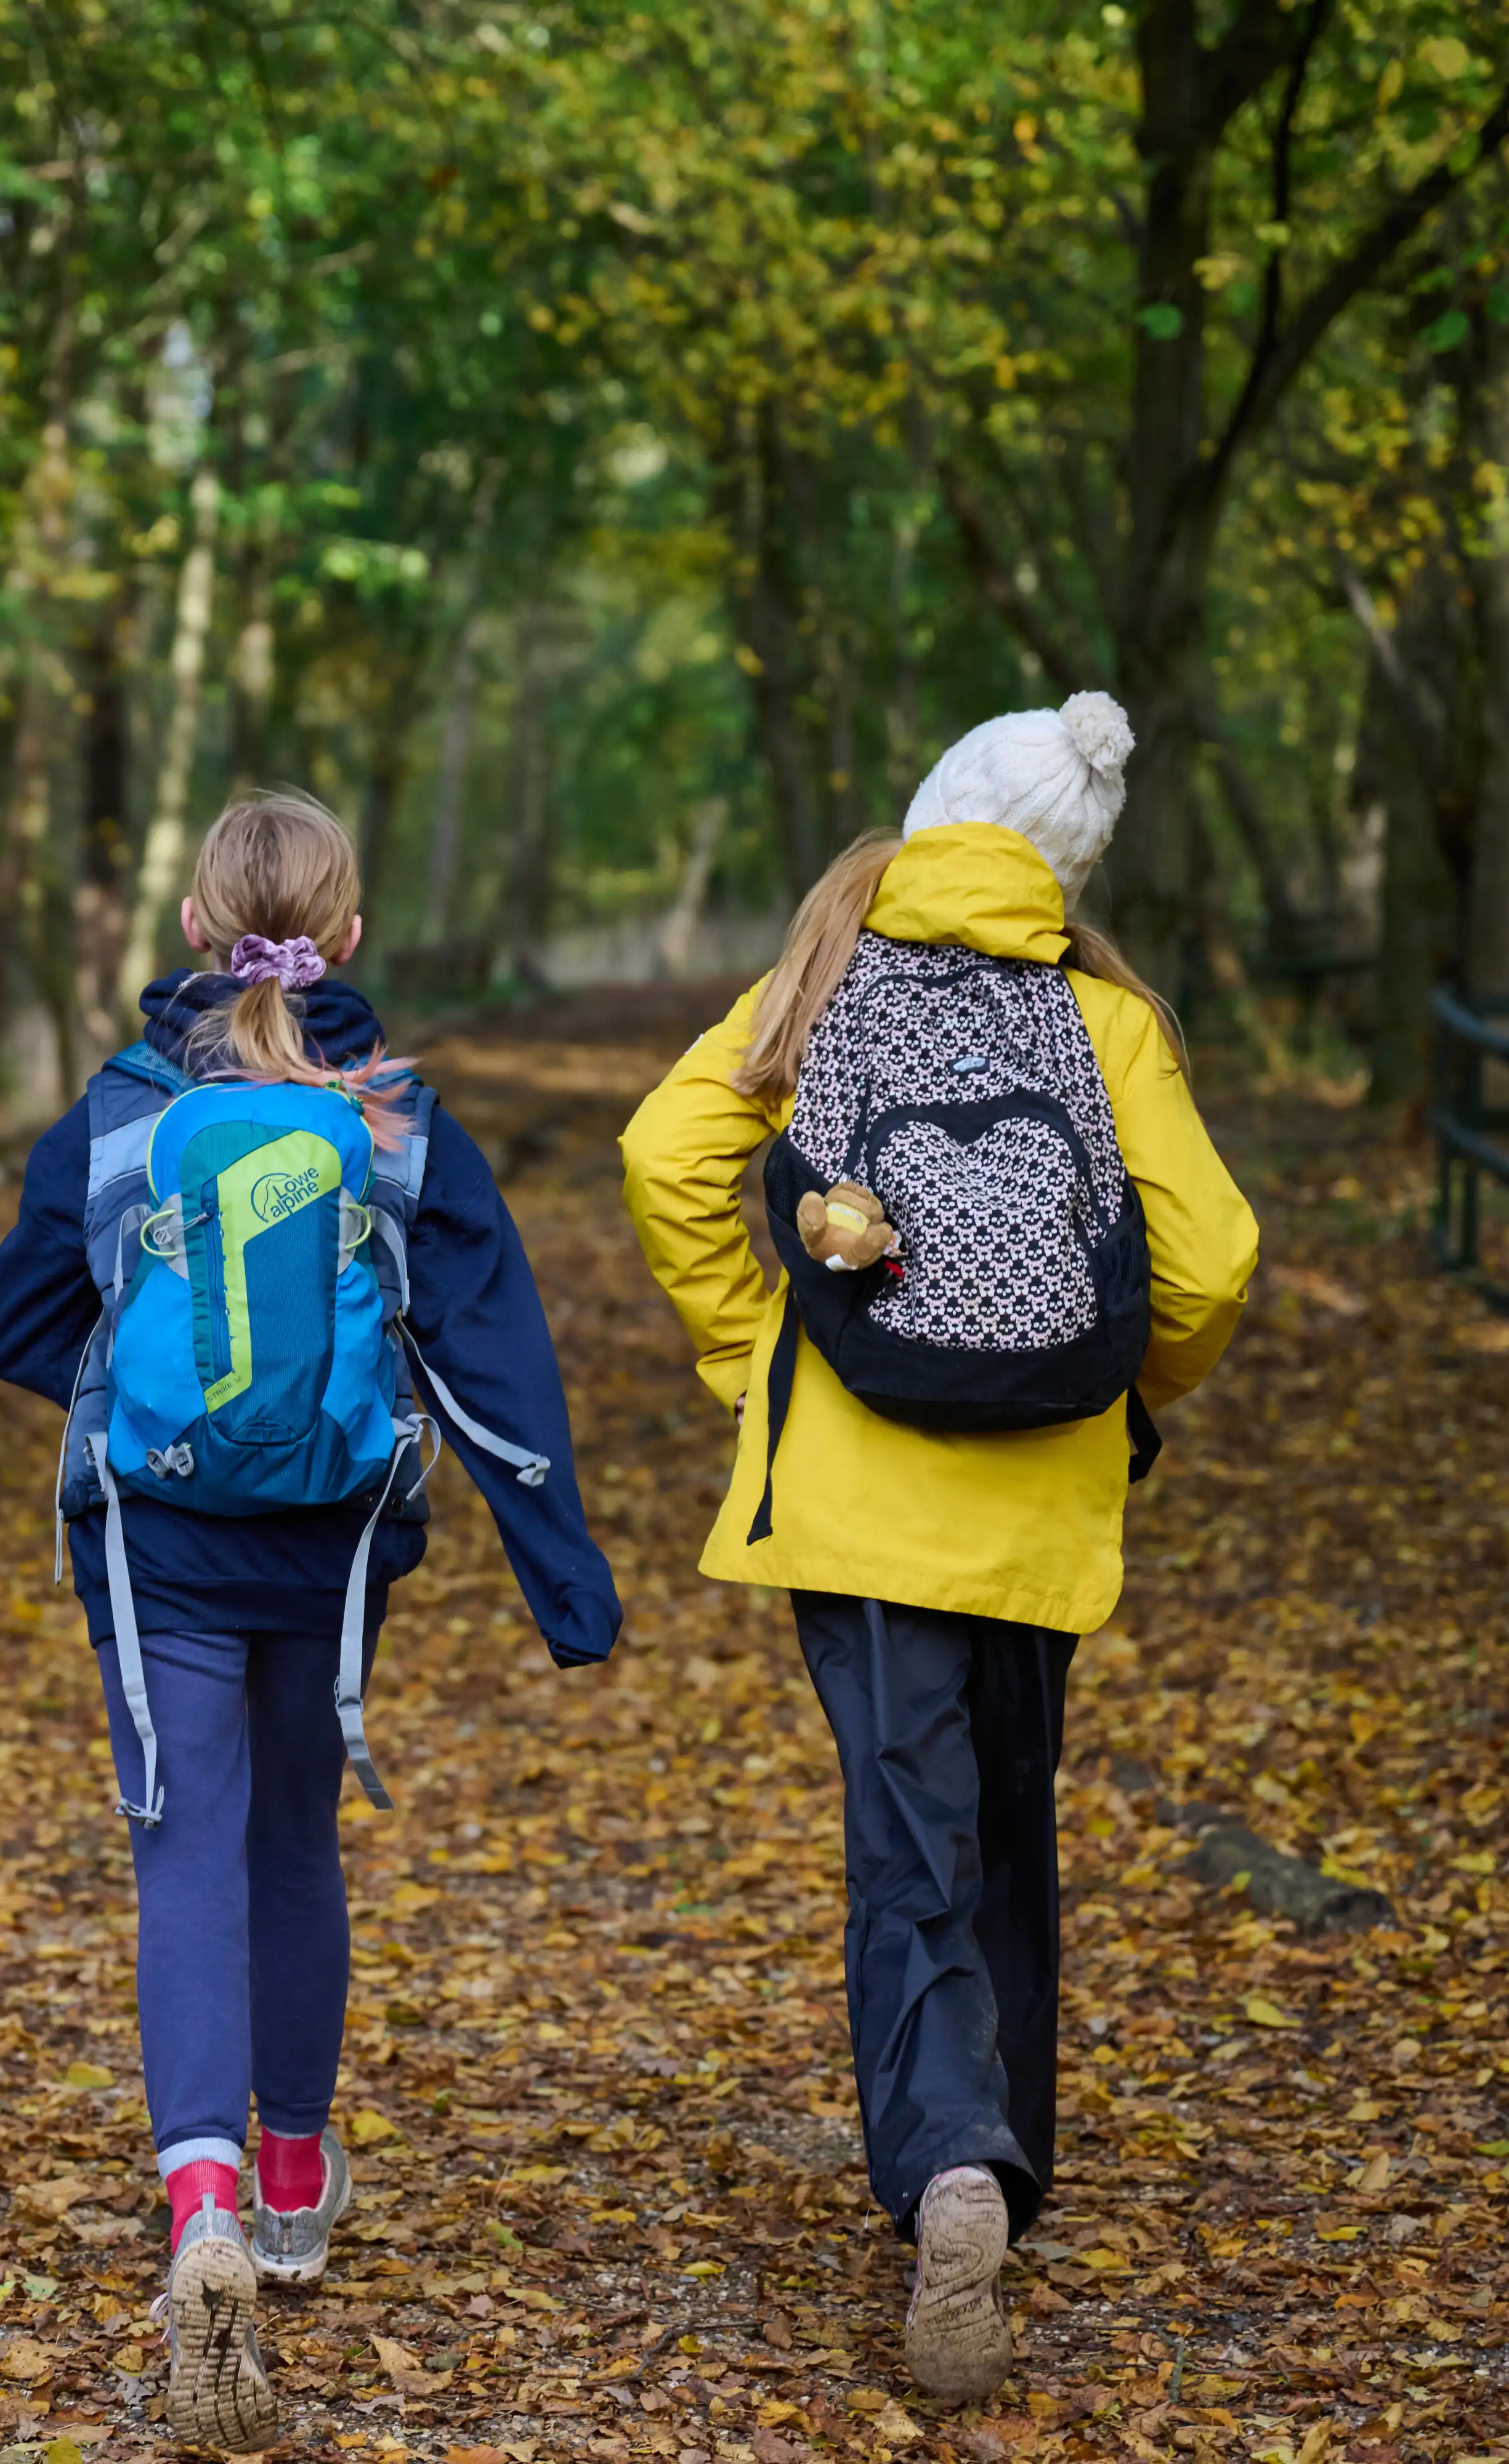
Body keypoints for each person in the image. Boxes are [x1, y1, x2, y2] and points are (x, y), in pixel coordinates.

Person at [615, 693, 1256, 2404]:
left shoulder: (828, 984)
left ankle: (954, 2165)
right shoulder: (1104, 1022)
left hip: (859, 1496)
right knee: (1008, 1824)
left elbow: (667, 1151)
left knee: (910, 1833)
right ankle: (1000, 2159)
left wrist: (764, 1351)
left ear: (934, 814)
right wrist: (1114, 1389)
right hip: (1039, 1507)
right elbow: (1210, 1264)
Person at [0, 789, 621, 2452]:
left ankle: (196, 2198)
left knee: (182, 1847)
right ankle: (290, 2184)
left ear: (197, 931)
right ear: (346, 941)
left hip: (161, 1548)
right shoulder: (399, 1118)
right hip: (335, 1552)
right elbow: (494, 1362)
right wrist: (570, 1587)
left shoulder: (125, 1112)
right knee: (294, 1847)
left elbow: (17, 1325)